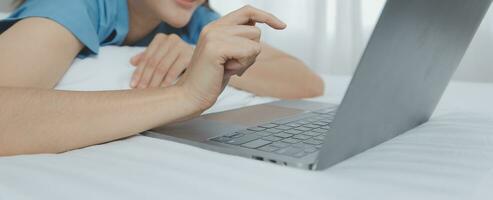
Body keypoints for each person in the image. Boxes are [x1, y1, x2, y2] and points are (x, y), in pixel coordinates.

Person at [0, 0, 324, 156]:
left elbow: (306, 81)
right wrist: (185, 94)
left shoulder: (191, 19)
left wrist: (202, 55)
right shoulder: (74, 6)